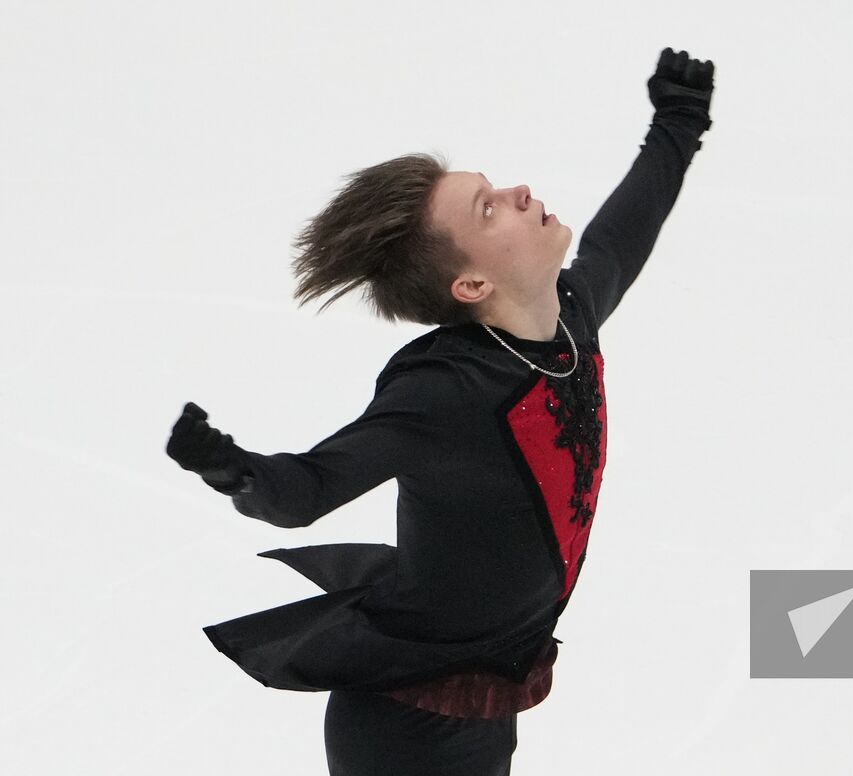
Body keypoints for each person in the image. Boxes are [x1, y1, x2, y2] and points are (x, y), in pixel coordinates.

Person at [165, 47, 715, 775]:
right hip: (404, 723)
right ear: (471, 284)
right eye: (489, 207)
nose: (518, 190)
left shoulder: (569, 318)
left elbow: (622, 235)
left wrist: (677, 122)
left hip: (488, 690)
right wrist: (231, 469)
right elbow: (309, 491)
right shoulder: (444, 389)